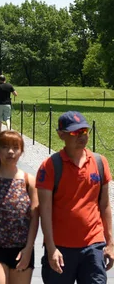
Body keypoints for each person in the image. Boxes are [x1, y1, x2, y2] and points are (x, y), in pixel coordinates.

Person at [36, 111, 113, 284]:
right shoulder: (50, 166)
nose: (81, 136)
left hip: (93, 245)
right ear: (61, 135)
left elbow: (105, 205)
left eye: (84, 131)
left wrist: (110, 243)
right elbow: (45, 211)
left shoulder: (100, 163)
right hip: (61, 248)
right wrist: (51, 249)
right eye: (75, 132)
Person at [0, 131, 39, 284]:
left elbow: (35, 217)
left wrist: (29, 248)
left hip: (21, 249)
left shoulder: (29, 181)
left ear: (21, 151)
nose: (10, 152)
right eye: (5, 147)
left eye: (15, 148)